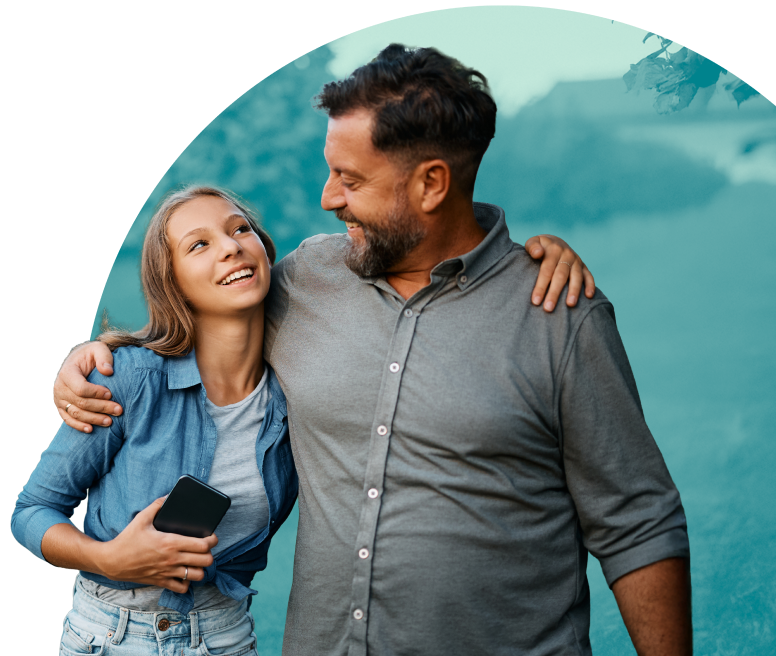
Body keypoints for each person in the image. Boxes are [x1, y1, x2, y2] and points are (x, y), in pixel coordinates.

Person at [48, 45, 691, 656]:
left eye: (350, 179)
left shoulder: (557, 316)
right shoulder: (303, 280)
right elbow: (198, 320)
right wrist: (92, 354)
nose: (329, 198)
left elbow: (637, 522)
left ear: (431, 185)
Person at [12, 186, 298, 654]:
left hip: (225, 637)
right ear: (173, 282)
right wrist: (110, 558)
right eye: (199, 244)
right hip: (109, 635)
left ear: (264, 252)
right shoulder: (130, 379)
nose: (231, 246)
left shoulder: (297, 397)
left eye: (240, 229)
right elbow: (30, 512)